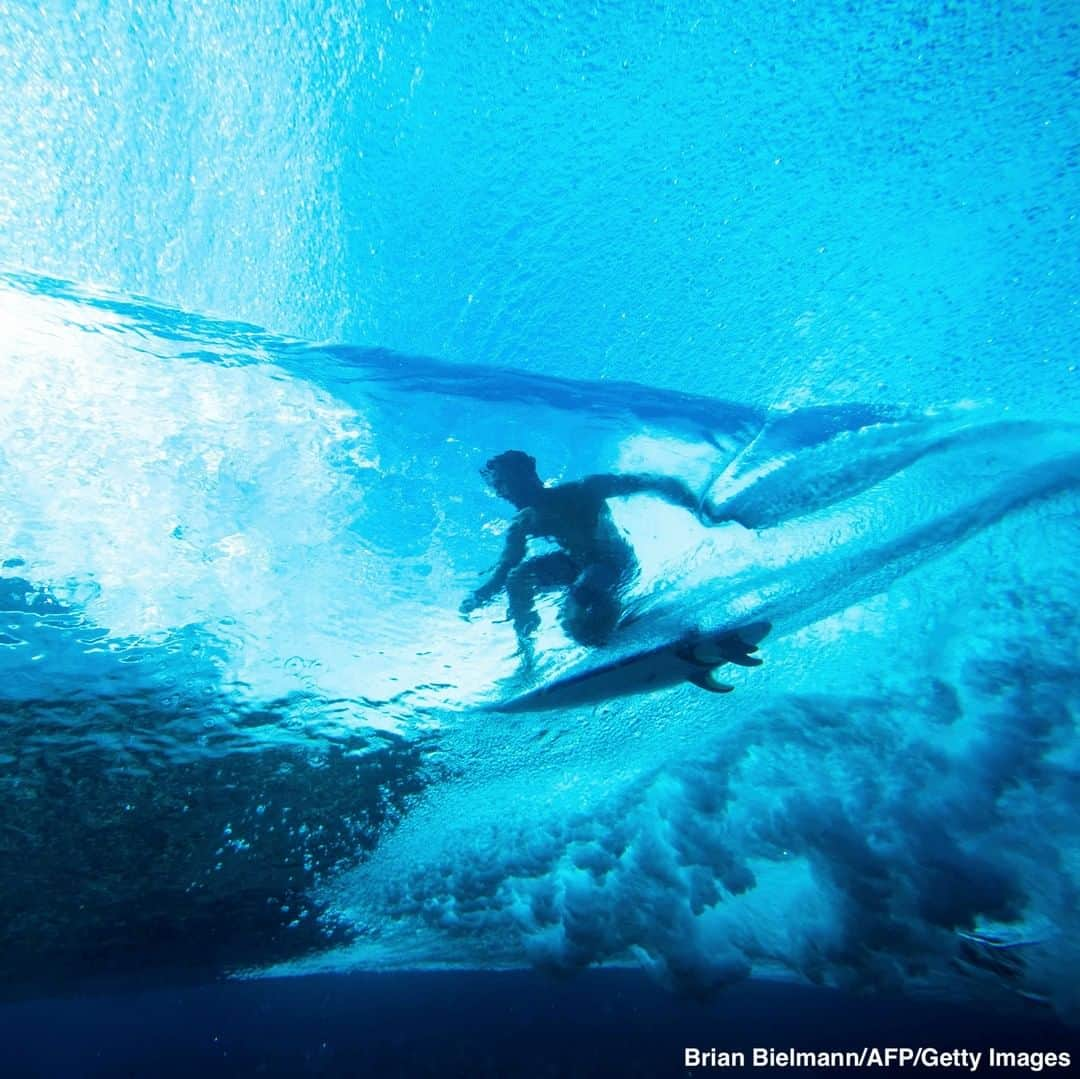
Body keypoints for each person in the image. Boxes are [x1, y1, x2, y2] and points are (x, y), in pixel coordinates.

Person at [460, 450, 713, 664]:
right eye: (497, 486)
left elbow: (650, 482)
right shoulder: (523, 522)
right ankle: (527, 652)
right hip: (578, 566)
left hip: (615, 563)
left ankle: (615, 622)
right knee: (518, 577)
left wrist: (699, 509)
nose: (501, 493)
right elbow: (505, 569)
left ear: (527, 476)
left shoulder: (582, 491)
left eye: (504, 483)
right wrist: (478, 596)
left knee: (577, 610)